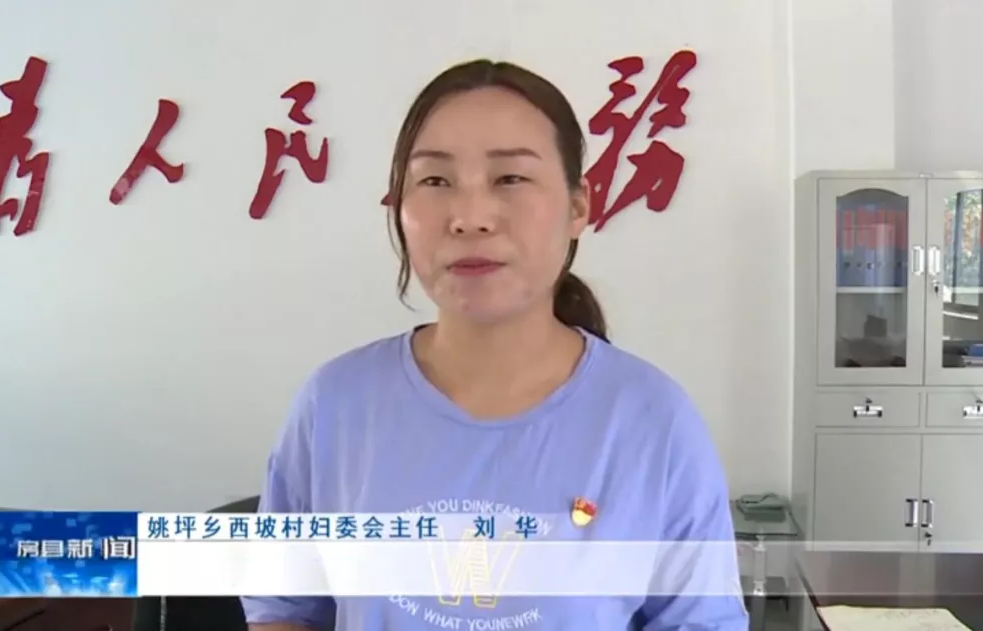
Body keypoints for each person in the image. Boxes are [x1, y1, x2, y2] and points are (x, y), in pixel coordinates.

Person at [242, 59, 748, 631]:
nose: (470, 218)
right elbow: (284, 611)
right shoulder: (334, 405)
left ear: (578, 207)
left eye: (510, 178)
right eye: (435, 181)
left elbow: (699, 620)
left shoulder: (653, 421)